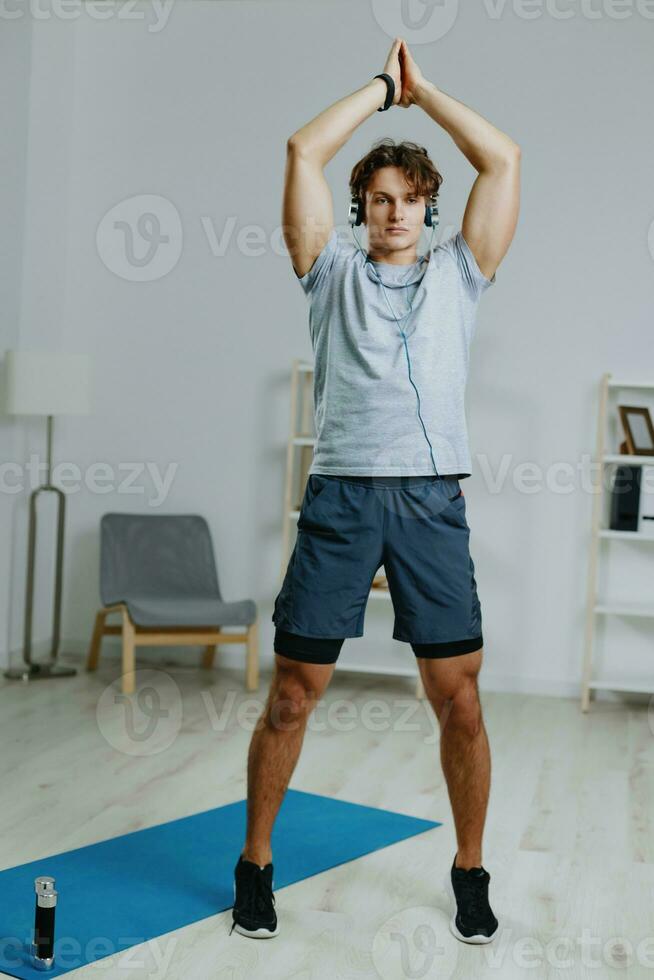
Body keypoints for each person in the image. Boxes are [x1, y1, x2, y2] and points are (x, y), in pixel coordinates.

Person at [231, 37, 520, 943]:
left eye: (410, 200)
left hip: (432, 501)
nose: (394, 213)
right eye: (380, 200)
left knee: (460, 697)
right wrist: (376, 90)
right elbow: (300, 151)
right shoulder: (329, 274)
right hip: (344, 499)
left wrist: (423, 91)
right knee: (291, 691)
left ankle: (470, 871)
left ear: (430, 209)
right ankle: (256, 864)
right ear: (362, 207)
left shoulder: (460, 274)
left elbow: (503, 159)